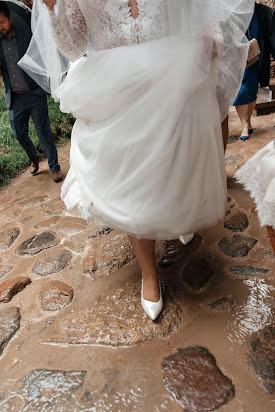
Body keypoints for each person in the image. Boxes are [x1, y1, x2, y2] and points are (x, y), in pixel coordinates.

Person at [37, 0, 252, 320]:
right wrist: (53, 10)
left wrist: (209, 44)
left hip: (176, 79)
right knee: (133, 185)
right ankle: (149, 273)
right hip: (115, 92)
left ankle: (178, 218)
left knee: (176, 170)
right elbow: (75, 46)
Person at [0, 1, 63, 181]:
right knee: (19, 133)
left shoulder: (27, 33)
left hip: (34, 92)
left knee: (43, 132)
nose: (0, 27)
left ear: (10, 18)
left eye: (2, 22)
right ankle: (34, 158)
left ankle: (55, 167)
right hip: (15, 97)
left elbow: (44, 51)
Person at [233, 2, 275, 141]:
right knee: (239, 93)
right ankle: (244, 124)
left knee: (251, 90)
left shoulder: (263, 12)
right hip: (236, 59)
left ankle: (247, 121)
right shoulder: (231, 12)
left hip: (256, 58)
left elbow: (271, 35)